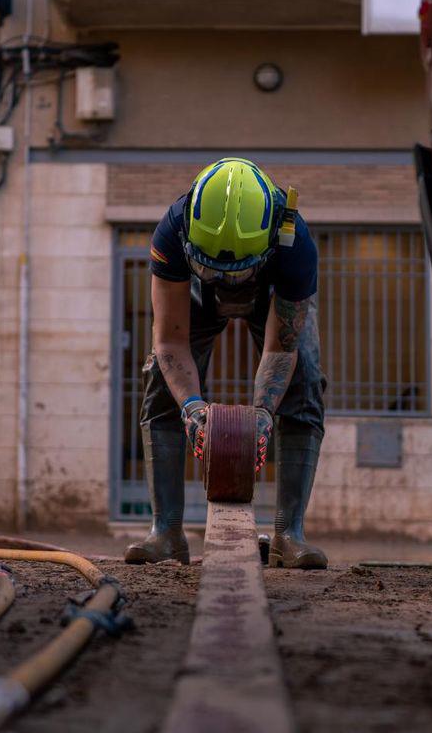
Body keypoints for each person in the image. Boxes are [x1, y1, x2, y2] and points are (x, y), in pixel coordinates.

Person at [124, 157, 327, 569]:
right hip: (195, 296)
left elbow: (281, 349)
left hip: (271, 293)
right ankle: (166, 532)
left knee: (304, 381)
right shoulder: (172, 231)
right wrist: (191, 407)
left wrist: (264, 413)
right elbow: (170, 341)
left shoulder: (295, 244)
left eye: (237, 273)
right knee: (160, 384)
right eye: (217, 270)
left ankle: (290, 535)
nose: (228, 281)